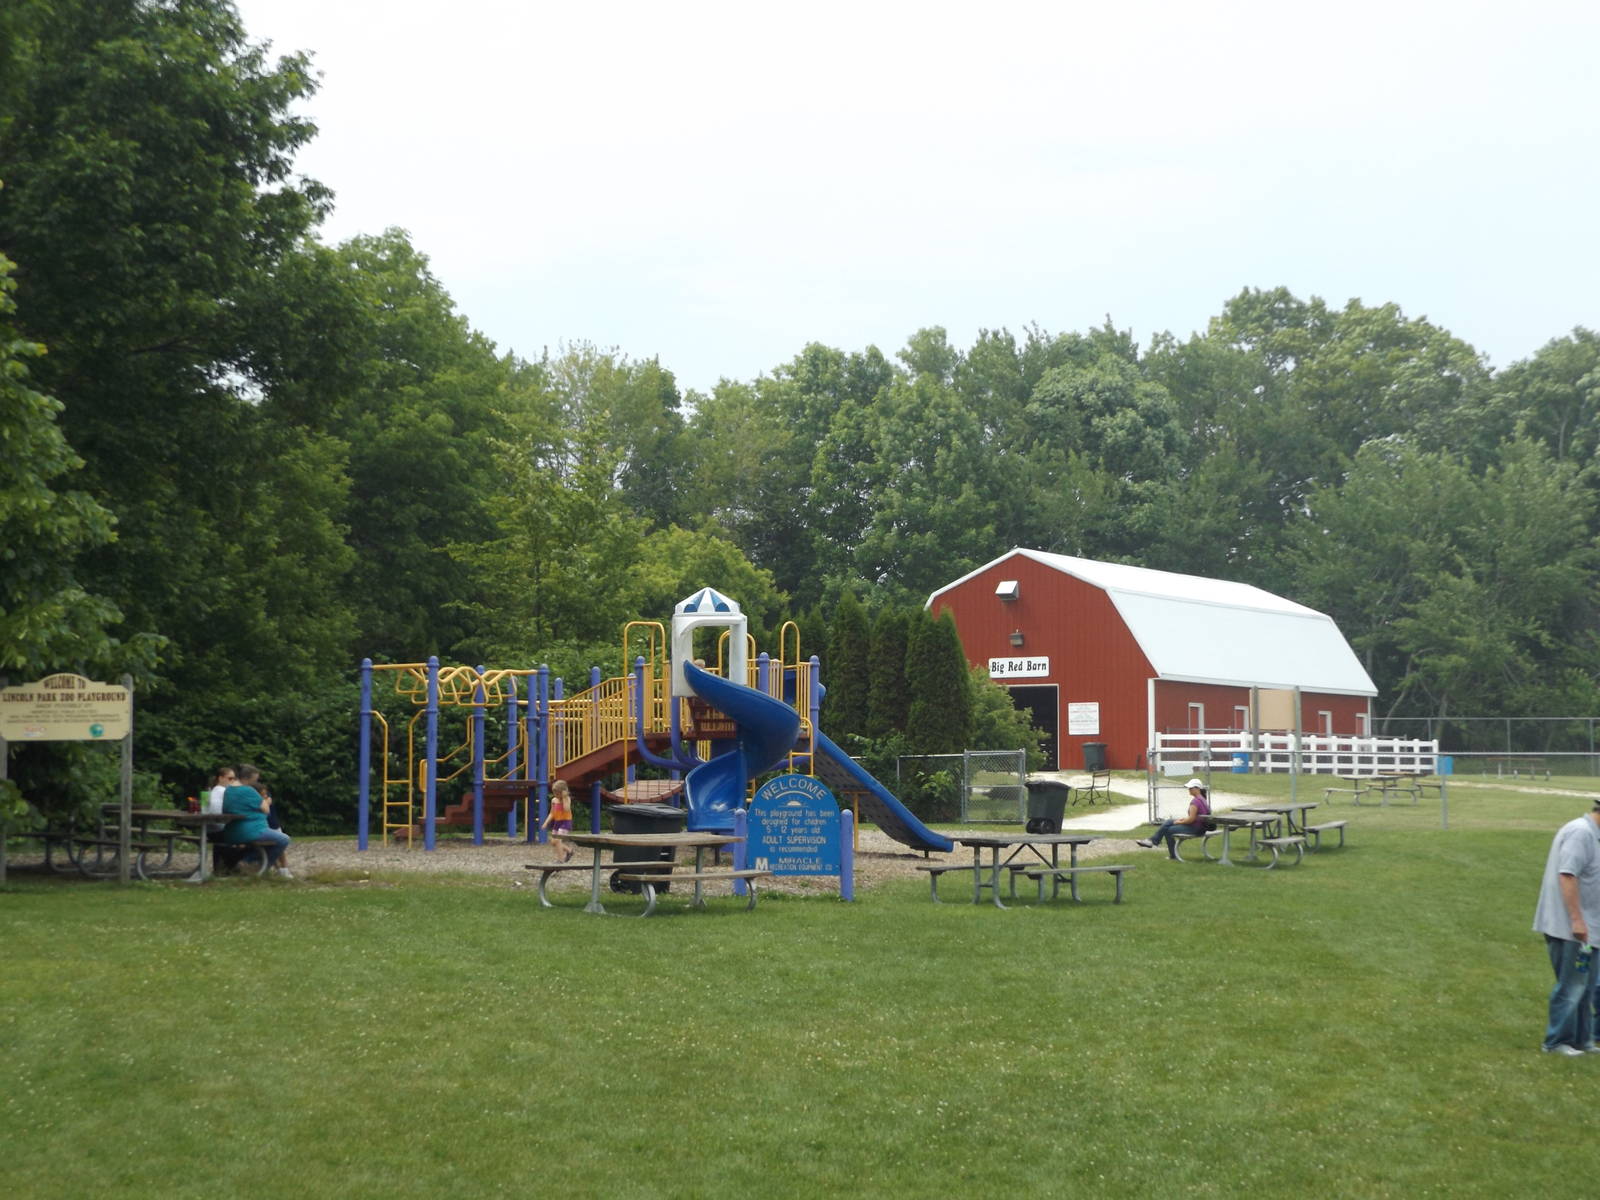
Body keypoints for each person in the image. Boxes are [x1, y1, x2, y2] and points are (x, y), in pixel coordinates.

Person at [1531, 797, 1600, 1055]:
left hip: (1590, 928)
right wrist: (1577, 920)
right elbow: (1567, 875)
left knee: (1587, 985)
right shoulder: (1580, 833)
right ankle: (1557, 1041)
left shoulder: (1595, 836)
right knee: (1572, 986)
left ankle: (1583, 1040)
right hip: (1570, 928)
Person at [222, 764, 293, 878]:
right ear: (248, 778)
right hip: (251, 831)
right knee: (283, 839)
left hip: (231, 831)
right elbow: (265, 809)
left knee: (272, 840)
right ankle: (257, 867)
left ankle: (248, 862)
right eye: (254, 780)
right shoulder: (248, 790)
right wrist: (266, 801)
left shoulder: (228, 790)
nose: (256, 783)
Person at [1136, 778, 1212, 859]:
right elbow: (1194, 818)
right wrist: (1182, 820)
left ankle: (1158, 844)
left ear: (1197, 788)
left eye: (1190, 788)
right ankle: (1154, 841)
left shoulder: (1195, 801)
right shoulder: (1202, 799)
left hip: (1195, 829)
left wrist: (1179, 822)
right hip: (1200, 828)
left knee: (1169, 830)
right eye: (1188, 788)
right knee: (1169, 823)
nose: (1188, 790)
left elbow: (1191, 819)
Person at [540, 779, 574, 862]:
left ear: (562, 792)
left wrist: (565, 797)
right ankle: (569, 851)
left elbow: (566, 809)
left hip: (565, 822)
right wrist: (546, 822)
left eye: (557, 793)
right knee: (553, 842)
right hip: (557, 822)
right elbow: (552, 813)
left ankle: (560, 860)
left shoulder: (567, 799)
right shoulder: (554, 800)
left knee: (558, 840)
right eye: (554, 793)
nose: (555, 795)